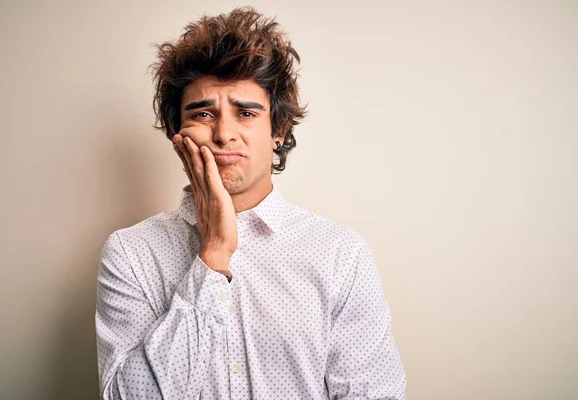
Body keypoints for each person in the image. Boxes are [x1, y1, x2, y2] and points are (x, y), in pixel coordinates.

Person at [95, 6, 406, 399]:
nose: (224, 133)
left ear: (278, 130)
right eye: (203, 113)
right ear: (177, 132)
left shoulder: (341, 255)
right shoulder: (131, 254)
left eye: (246, 113)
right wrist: (213, 256)